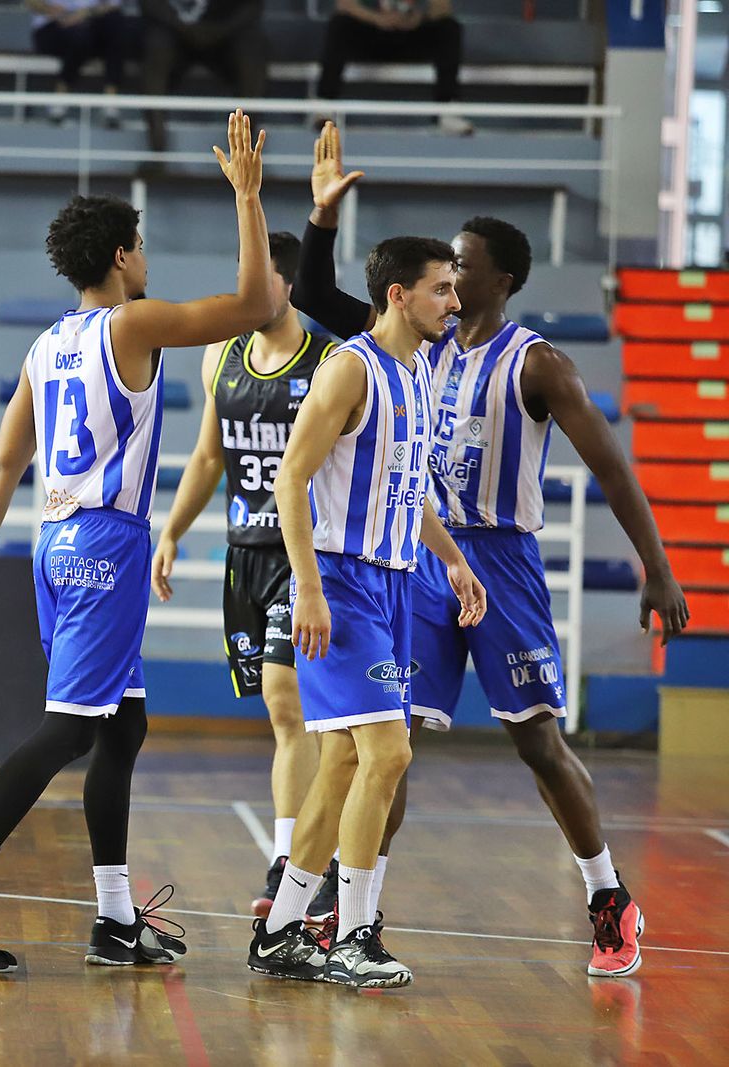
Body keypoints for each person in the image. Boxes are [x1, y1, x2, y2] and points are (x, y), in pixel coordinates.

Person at [288, 122, 691, 977]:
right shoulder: (411, 342)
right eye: (444, 270)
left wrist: (656, 567)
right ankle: (353, 916)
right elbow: (315, 290)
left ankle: (608, 895)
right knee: (386, 743)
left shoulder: (537, 364)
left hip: (498, 562)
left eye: (463, 264)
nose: (451, 274)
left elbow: (614, 470)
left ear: (497, 280)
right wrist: (323, 217)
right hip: (416, 556)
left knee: (537, 742)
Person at [0, 111, 273, 973]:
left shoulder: (46, 345)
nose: (146, 256)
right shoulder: (132, 325)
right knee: (73, 729)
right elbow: (259, 305)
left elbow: (4, 467)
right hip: (107, 544)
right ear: (120, 257)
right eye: (140, 244)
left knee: (124, 726)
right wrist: (248, 199)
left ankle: (114, 920)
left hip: (51, 545)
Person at [245, 234, 486, 989]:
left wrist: (452, 557)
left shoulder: (416, 372)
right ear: (398, 295)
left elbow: (405, 495)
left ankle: (281, 929)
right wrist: (309, 586)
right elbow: (290, 482)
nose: (454, 300)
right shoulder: (349, 369)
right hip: (340, 585)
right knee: (388, 754)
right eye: (442, 288)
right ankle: (352, 937)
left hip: (393, 584)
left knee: (347, 760)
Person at [151, 231, 339, 918]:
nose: (249, 292)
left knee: (289, 702)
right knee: (279, 713)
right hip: (244, 555)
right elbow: (208, 456)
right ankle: (308, 854)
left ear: (286, 284)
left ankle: (296, 860)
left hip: (307, 552)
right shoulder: (220, 355)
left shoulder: (328, 361)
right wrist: (171, 530)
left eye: (261, 280)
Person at [314, 0, 470, 135]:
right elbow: (344, 5)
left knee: (449, 27)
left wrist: (417, 18)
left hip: (411, 35)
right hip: (371, 33)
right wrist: (378, 19)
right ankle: (325, 105)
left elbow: (442, 9)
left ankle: (447, 111)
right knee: (339, 24)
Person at [139, 0, 268, 160]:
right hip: (173, 31)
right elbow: (149, 5)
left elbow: (253, 6)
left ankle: (245, 154)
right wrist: (184, 28)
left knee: (252, 48)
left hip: (225, 31)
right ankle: (157, 149)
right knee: (155, 45)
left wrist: (218, 31)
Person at [26, 0, 137, 126]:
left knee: (115, 24)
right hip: (52, 26)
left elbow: (112, 5)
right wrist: (52, 11)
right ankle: (59, 98)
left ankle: (110, 101)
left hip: (90, 24)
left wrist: (84, 14)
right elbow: (31, 2)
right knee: (80, 36)